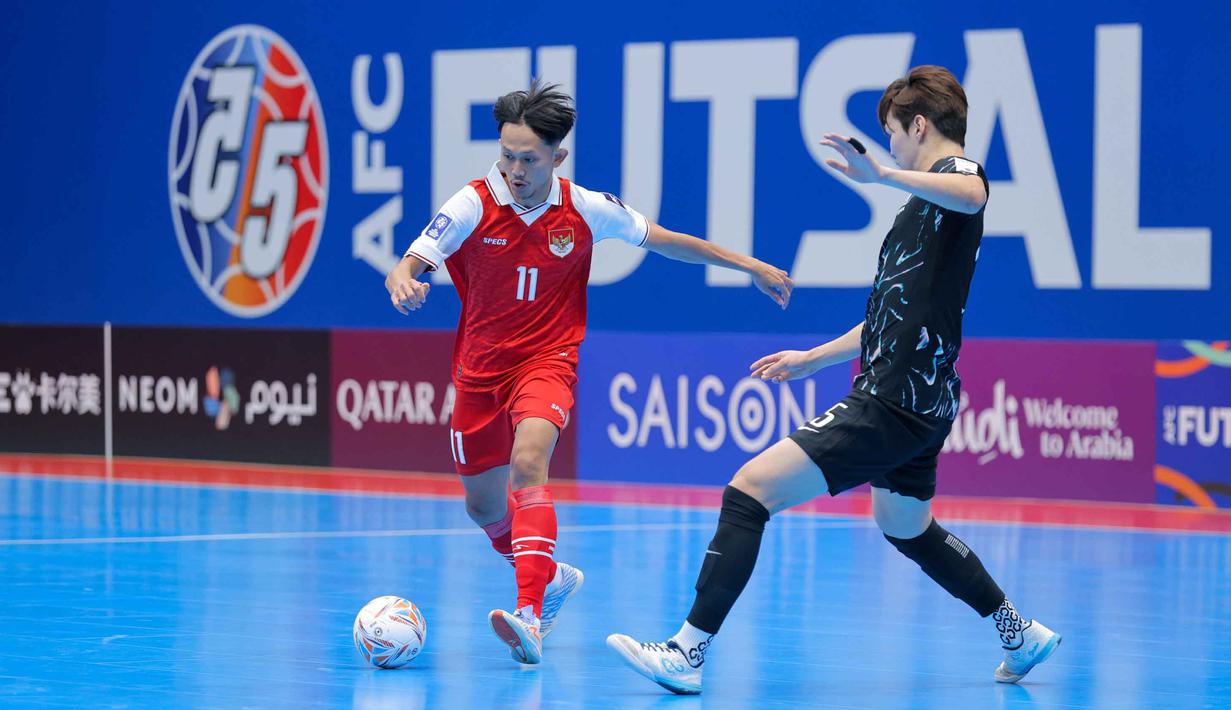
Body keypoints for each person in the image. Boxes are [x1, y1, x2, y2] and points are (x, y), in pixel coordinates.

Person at [607, 65, 1061, 694]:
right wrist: (813, 359)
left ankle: (687, 652)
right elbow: (888, 314)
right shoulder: (920, 211)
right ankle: (1019, 631)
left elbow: (975, 189)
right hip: (922, 402)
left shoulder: (955, 181)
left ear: (919, 126)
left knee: (749, 491)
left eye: (893, 134)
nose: (891, 146)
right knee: (907, 527)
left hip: (894, 401)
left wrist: (881, 175)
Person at [384, 80, 794, 665]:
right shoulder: (472, 203)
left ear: (558, 157)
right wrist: (404, 280)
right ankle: (549, 578)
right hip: (479, 370)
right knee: (482, 507)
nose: (515, 169)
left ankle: (529, 612)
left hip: (547, 361)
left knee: (529, 462)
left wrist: (748, 264)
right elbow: (413, 260)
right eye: (506, 154)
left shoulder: (585, 209)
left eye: (528, 158)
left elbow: (668, 241)